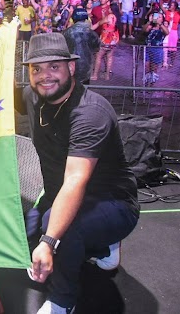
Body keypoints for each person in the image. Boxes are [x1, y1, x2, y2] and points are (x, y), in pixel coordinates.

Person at [17, 33, 139, 314]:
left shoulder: (90, 113)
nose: (45, 76)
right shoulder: (31, 96)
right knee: (26, 231)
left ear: (71, 68)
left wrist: (49, 242)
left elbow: (75, 180)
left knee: (57, 229)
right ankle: (104, 246)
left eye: (54, 67)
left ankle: (63, 300)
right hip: (58, 192)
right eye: (37, 69)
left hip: (113, 201)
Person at [63, 8, 100, 84]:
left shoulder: (66, 33)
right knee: (84, 91)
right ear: (85, 19)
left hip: (70, 67)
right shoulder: (91, 33)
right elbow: (96, 48)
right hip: (86, 67)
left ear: (73, 19)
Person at [142, 13, 168, 85]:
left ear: (162, 19)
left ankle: (152, 83)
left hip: (157, 49)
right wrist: (149, 21)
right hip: (147, 48)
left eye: (160, 17)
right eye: (156, 16)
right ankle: (146, 83)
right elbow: (144, 30)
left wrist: (160, 24)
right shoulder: (150, 26)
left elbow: (167, 32)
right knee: (147, 66)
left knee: (154, 68)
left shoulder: (162, 27)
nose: (157, 18)